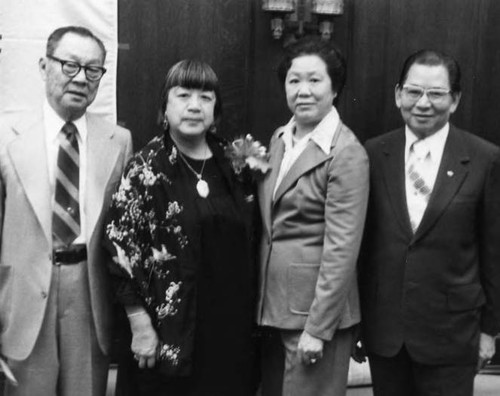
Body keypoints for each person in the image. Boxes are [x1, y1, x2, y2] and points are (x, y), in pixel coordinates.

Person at [104, 59, 259, 396]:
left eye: (205, 97)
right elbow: (119, 250)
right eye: (183, 95)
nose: (194, 105)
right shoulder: (145, 168)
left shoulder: (234, 163)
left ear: (216, 108)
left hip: (228, 328)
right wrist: (138, 322)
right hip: (167, 331)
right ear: (165, 105)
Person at [0, 26, 132, 396]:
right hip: (22, 301)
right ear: (44, 66)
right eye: (69, 65)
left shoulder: (118, 141)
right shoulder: (7, 137)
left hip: (89, 294)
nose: (80, 78)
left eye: (93, 70)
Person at [359, 49, 500, 396]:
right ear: (398, 95)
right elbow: (362, 246)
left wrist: (489, 331)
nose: (423, 102)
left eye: (436, 94)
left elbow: (494, 251)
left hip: (453, 335)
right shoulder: (373, 153)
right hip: (386, 333)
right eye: (413, 91)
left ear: (454, 100)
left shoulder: (484, 159)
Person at [256, 36, 369, 396]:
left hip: (315, 319)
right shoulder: (279, 138)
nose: (303, 90)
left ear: (335, 88)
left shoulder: (346, 153)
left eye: (315, 80)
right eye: (294, 80)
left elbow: (342, 250)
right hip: (273, 310)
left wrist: (319, 329)